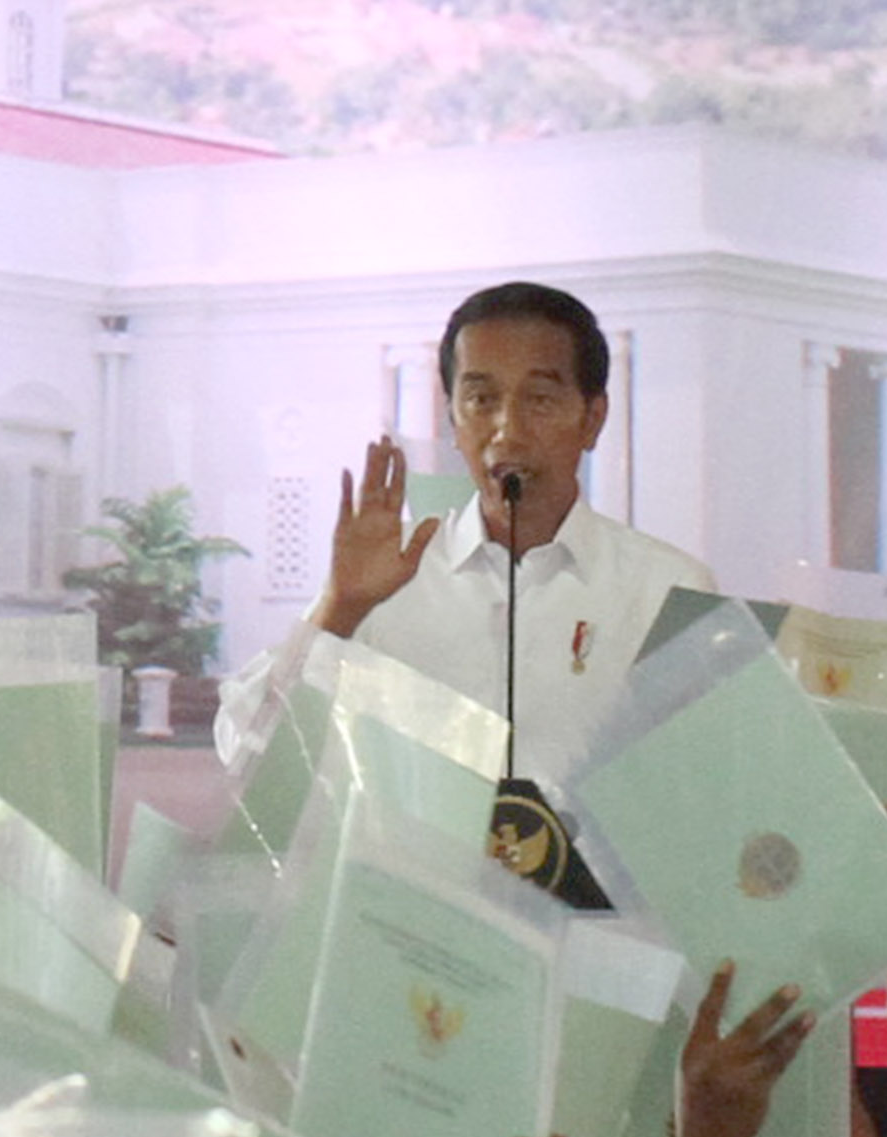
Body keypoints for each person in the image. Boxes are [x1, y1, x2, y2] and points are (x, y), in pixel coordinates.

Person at [219, 281, 713, 797]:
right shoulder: (384, 577)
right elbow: (246, 755)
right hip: (406, 878)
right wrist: (339, 610)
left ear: (592, 419)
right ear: (453, 417)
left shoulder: (670, 587)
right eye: (481, 399)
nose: (506, 430)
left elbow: (706, 784)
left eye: (540, 400)